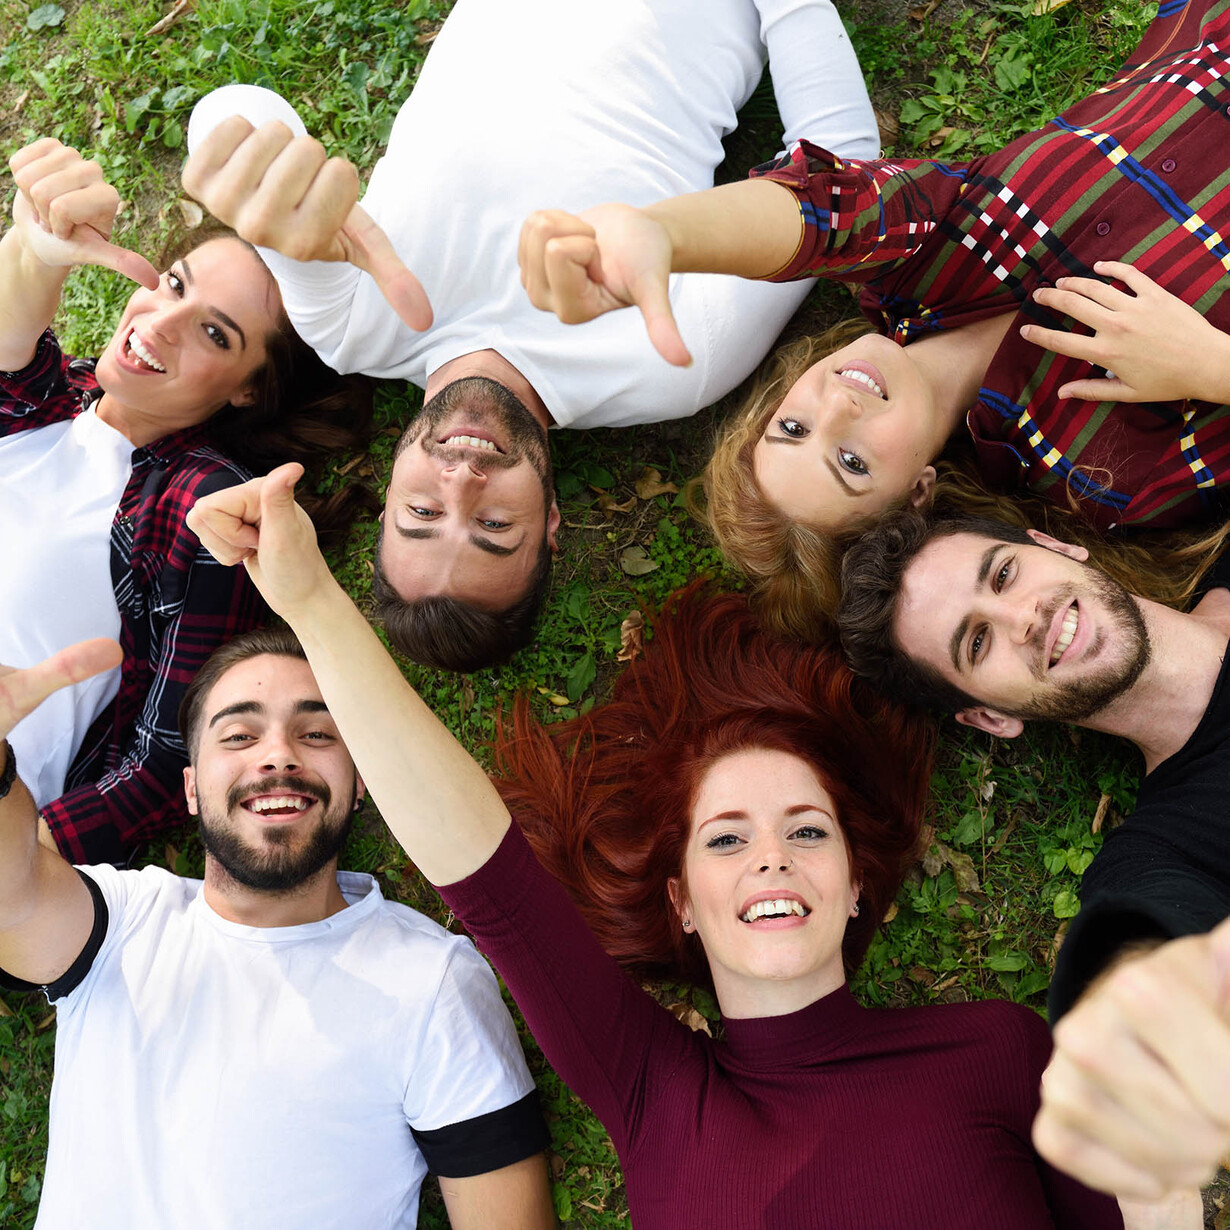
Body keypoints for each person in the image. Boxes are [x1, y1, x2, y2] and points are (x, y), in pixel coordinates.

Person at [187, 464, 1128, 1229]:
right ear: (681, 900)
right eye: (727, 839)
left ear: (853, 886)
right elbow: (484, 873)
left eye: (807, 830)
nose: (772, 858)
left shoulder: (1000, 1050)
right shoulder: (655, 1093)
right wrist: (310, 600)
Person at [178, 0, 880, 672]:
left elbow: (228, 112)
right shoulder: (669, 363)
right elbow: (844, 185)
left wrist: (260, 181)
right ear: (549, 521)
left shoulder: (349, 328)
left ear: (389, 491)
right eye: (491, 527)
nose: (460, 480)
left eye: (422, 513)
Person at [518, 0, 1230, 640]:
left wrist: (665, 236)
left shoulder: (914, 272)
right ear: (917, 492)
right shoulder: (1100, 470)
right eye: (852, 462)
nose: (840, 405)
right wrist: (1209, 367)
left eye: (793, 427)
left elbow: (821, 215)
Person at [0, 629, 554, 1229]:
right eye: (239, 736)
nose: (278, 755)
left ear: (360, 780)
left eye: (316, 734)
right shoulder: (122, 921)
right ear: (190, 788)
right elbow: (12, 893)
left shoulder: (433, 982)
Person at [837, 507, 1230, 1203]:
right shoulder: (1165, 854)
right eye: (978, 641)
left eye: (1005, 573)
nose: (1026, 619)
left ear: (1058, 546)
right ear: (990, 716)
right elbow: (1133, 949)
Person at [1, 136, 373, 865]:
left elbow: (162, 764)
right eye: (175, 284)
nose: (161, 322)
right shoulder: (57, 400)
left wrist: (22, 877)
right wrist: (36, 251)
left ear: (246, 389)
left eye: (213, 332)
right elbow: (10, 347)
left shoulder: (199, 505)